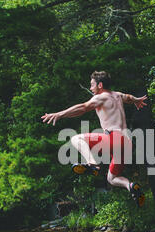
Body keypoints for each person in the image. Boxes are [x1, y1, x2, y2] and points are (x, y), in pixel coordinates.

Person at [41, 71, 147, 207]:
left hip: (115, 138)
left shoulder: (101, 97)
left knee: (76, 139)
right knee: (112, 178)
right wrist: (137, 100)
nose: (91, 88)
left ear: (100, 85)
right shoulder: (118, 95)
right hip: (127, 144)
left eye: (92, 85)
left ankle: (92, 164)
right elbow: (129, 97)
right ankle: (131, 186)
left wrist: (60, 114)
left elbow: (83, 108)